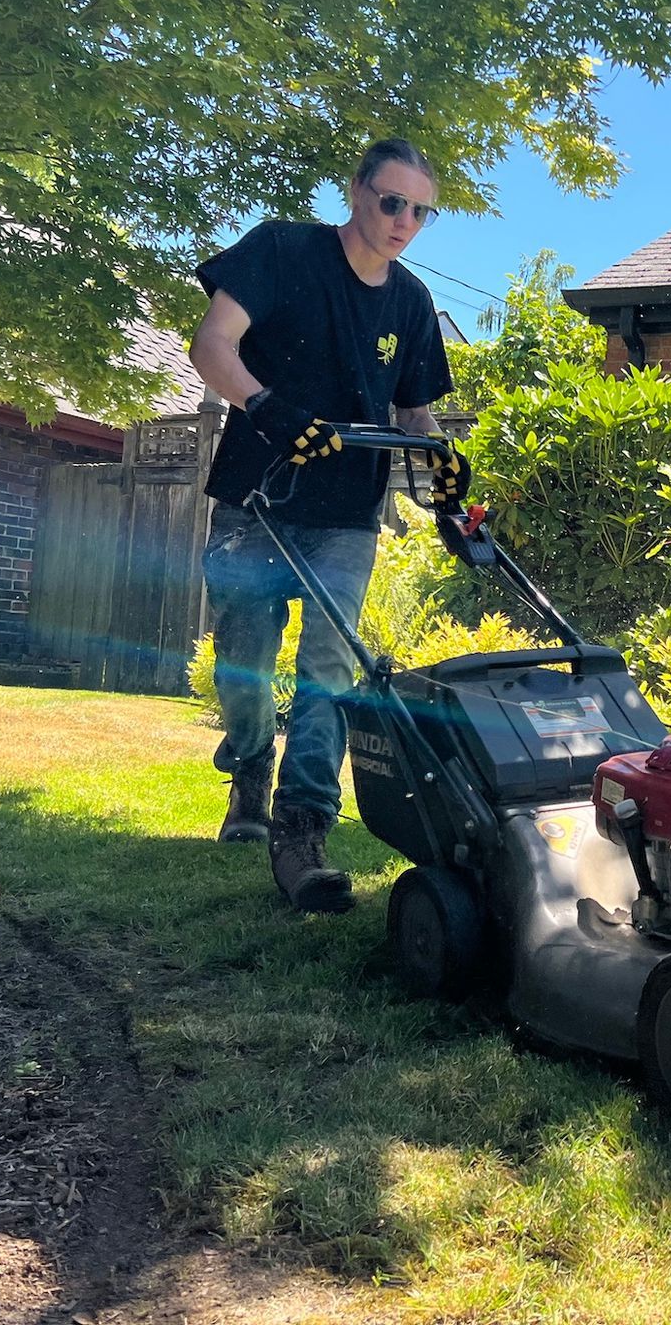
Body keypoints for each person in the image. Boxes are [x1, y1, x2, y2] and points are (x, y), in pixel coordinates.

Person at [187, 138, 462, 913]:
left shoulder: (408, 302)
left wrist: (437, 459)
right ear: (356, 192)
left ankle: (302, 827)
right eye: (391, 201)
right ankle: (248, 763)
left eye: (420, 210)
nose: (404, 220)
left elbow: (415, 408)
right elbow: (212, 344)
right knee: (244, 652)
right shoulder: (281, 251)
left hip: (347, 512)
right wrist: (268, 407)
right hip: (257, 498)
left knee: (329, 668)